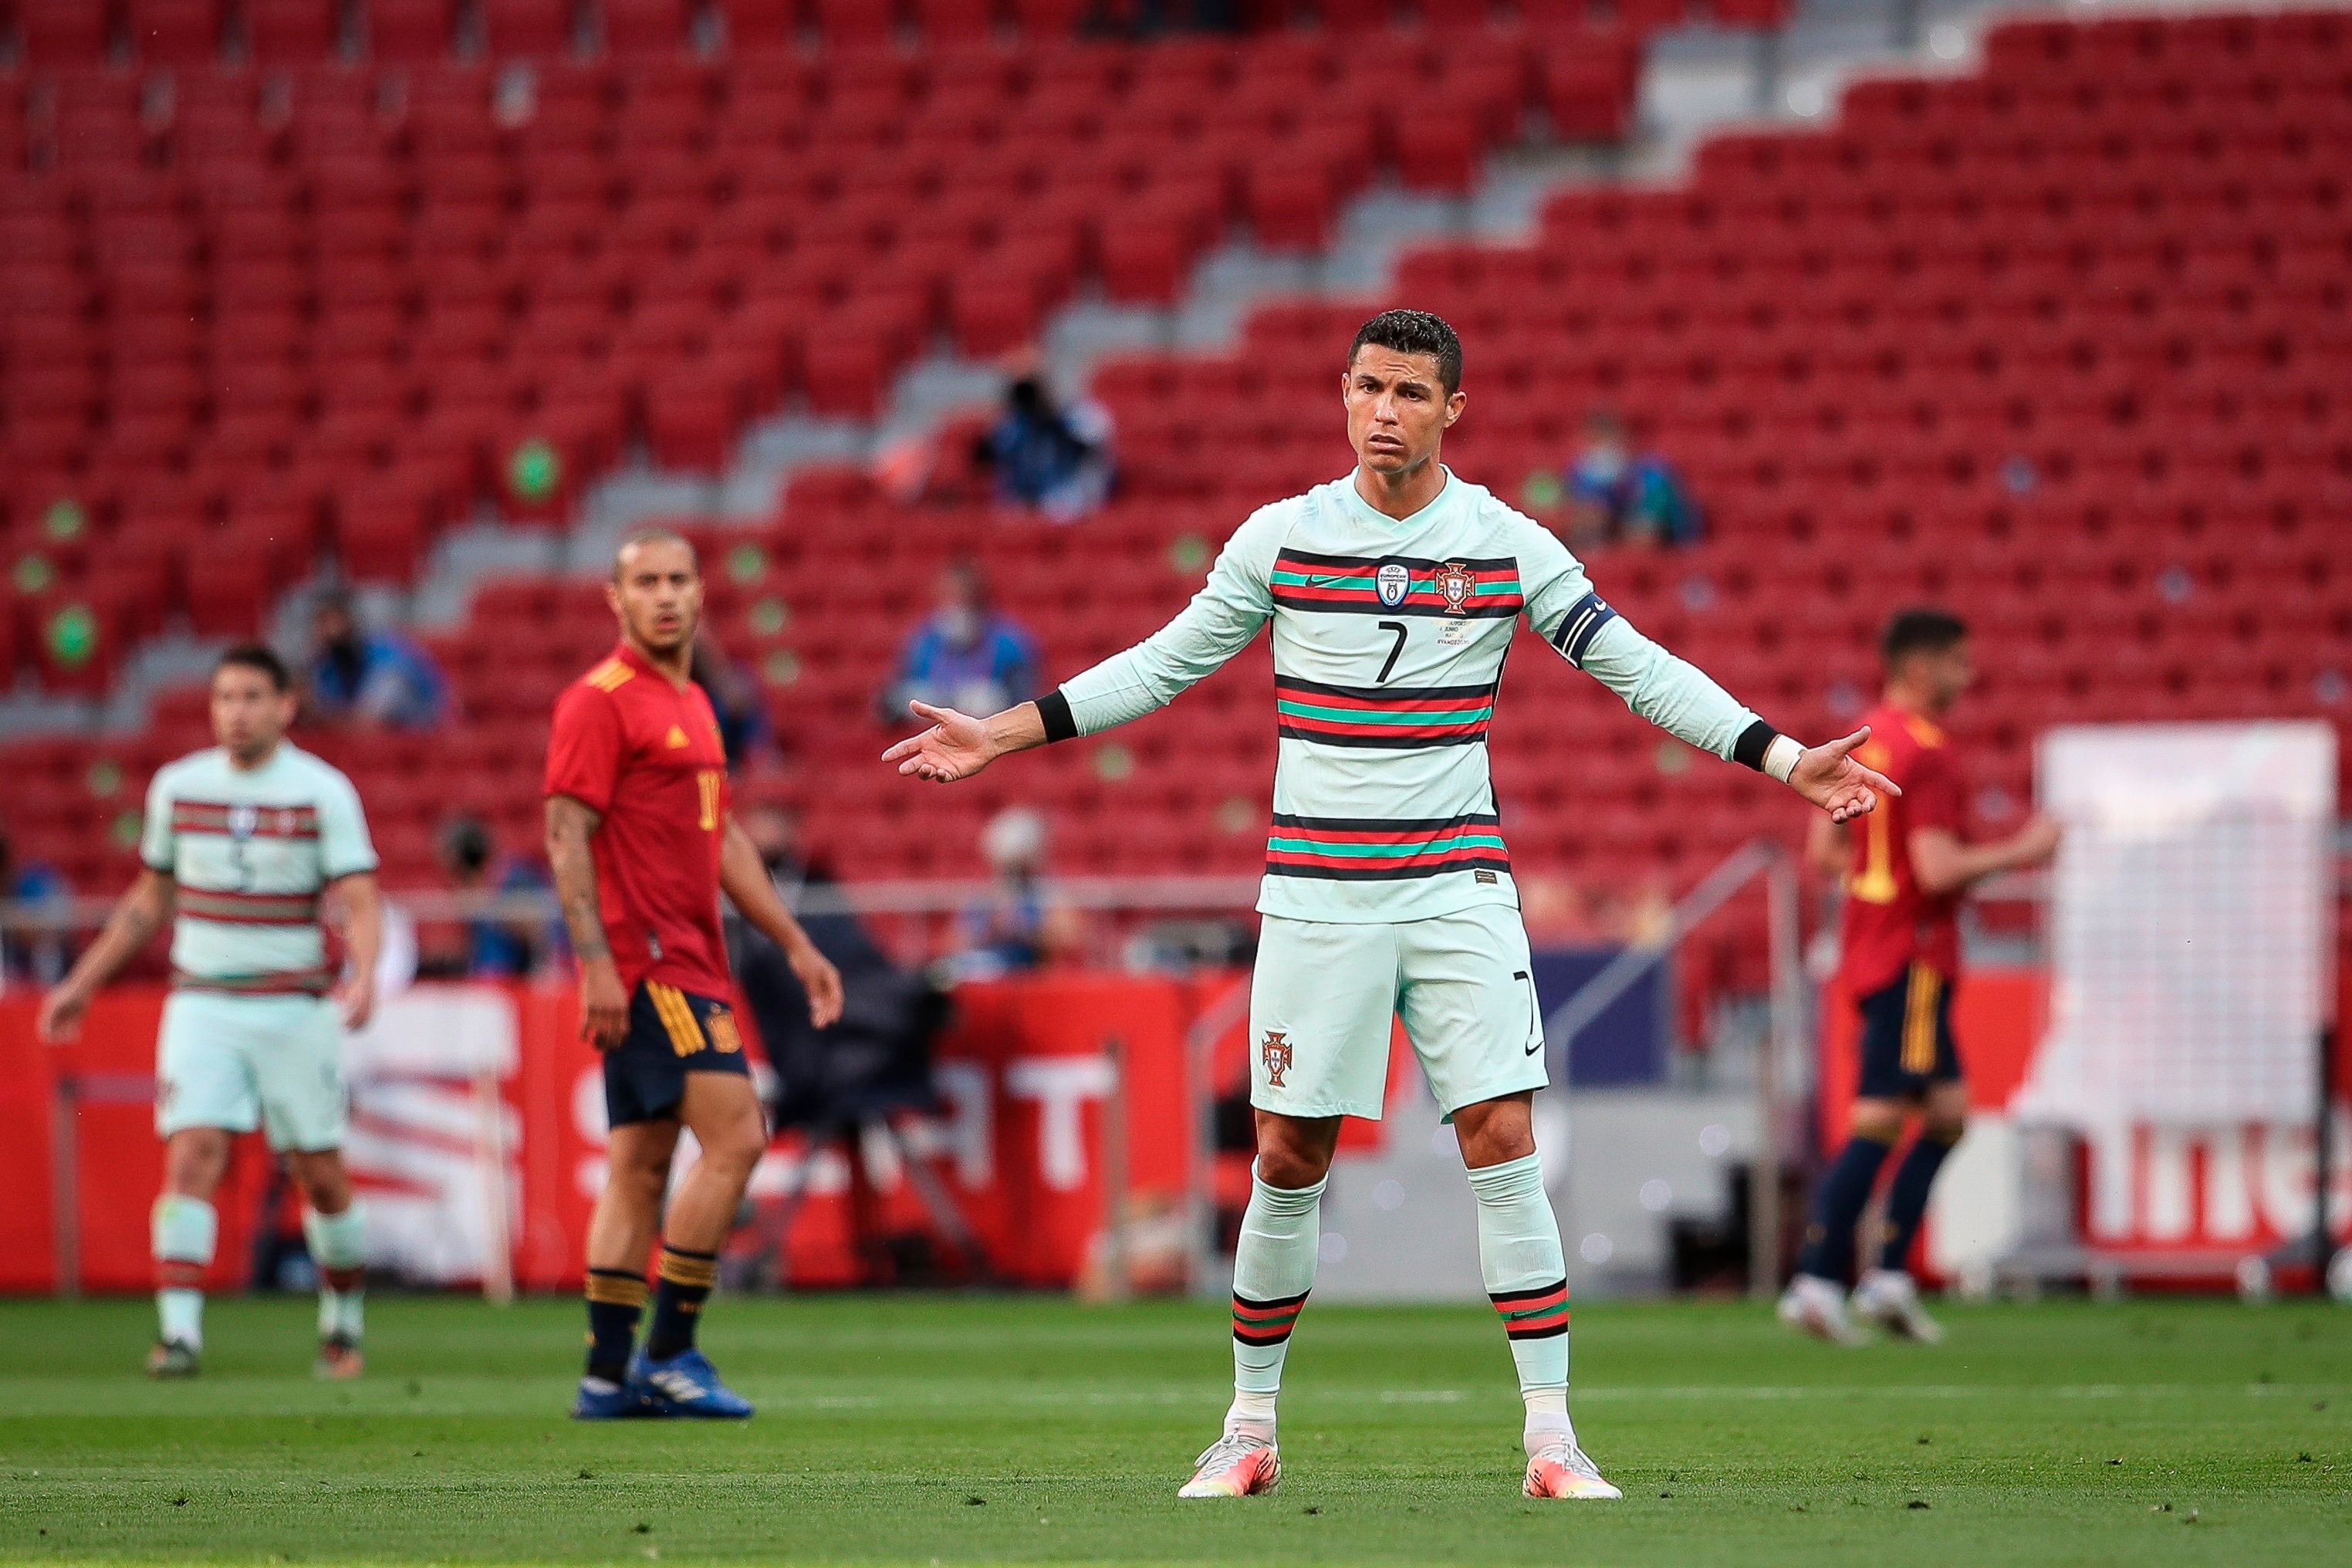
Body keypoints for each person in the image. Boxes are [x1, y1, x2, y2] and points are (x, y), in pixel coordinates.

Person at [883, 309, 1895, 1501]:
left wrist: (1782, 758)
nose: (1383, 412)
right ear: (1343, 393)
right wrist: (1001, 734)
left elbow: (1635, 663)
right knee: (1286, 1152)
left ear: (1451, 410)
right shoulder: (1281, 538)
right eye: (1368, 388)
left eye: (1411, 394)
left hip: (1458, 884)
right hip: (1317, 892)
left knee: (1503, 1140)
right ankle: (1249, 1428)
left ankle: (1553, 1442)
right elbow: (1162, 660)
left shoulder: (1506, 544)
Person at [544, 529, 844, 1421]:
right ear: (615, 597)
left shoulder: (696, 702)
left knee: (638, 1166)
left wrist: (795, 940)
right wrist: (596, 959)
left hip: (689, 956)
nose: (666, 595)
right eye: (646, 582)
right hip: (649, 962)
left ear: (701, 592)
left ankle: (605, 1377)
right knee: (739, 1135)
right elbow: (565, 836)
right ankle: (670, 1351)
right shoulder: (599, 702)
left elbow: (723, 841)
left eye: (678, 579)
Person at [37, 644, 383, 1380]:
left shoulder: (322, 791)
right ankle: (180, 1336)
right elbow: (149, 898)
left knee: (319, 1173)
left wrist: (366, 973)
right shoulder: (178, 787)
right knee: (192, 1153)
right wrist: (83, 983)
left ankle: (344, 1321)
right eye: (225, 697)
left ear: (286, 706)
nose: (237, 712)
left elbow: (359, 897)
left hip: (294, 1007)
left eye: (253, 697)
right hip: (203, 1002)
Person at [1779, 608, 2060, 1345]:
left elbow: (1826, 856)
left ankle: (1888, 1279)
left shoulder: (1864, 739)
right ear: (1921, 667)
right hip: (1913, 954)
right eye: (1960, 664)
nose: (1970, 678)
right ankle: (1818, 1279)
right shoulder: (1929, 752)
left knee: (1946, 1115)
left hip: (1872, 946)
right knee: (1880, 1116)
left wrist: (1879, 885)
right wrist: (2024, 851)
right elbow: (1936, 868)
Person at [884, 559, 1039, 723]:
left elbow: (1026, 706)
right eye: (947, 597)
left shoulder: (1010, 643)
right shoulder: (921, 642)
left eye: (961, 597)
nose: (953, 607)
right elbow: (891, 702)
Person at [973, 372, 1115, 519]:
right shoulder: (1014, 426)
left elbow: (1090, 450)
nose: (1029, 403)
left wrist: (1053, 421)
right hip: (1020, 504)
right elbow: (982, 458)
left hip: (1067, 501)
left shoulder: (1076, 415)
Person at [434, 813, 560, 978]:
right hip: (488, 985)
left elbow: (540, 937)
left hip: (513, 985)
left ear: (456, 862)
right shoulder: (475, 892)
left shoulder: (511, 880)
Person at [306, 592, 451, 731]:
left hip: (421, 736)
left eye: (330, 621)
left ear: (349, 620)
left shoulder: (387, 656)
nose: (325, 631)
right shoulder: (327, 668)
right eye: (319, 623)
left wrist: (318, 714)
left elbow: (366, 725)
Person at [1565, 408, 1699, 549]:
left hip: (1674, 545)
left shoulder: (1653, 475)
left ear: (1623, 441)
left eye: (1606, 440)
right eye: (1593, 442)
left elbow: (1648, 528)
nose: (1600, 450)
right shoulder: (1584, 474)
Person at [951, 806, 1049, 978]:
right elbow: (953, 942)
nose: (1012, 872)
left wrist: (1024, 929)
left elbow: (1067, 938)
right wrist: (985, 930)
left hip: (1024, 973)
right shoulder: (984, 898)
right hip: (986, 971)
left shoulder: (1044, 894)